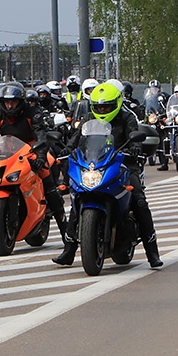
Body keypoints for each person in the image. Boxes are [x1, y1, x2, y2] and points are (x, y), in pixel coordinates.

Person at [53, 82, 163, 268]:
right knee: (77, 197)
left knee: (139, 201)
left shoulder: (127, 117)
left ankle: (152, 251)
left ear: (117, 103)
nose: (103, 109)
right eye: (99, 106)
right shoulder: (88, 120)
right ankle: (69, 249)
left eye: (107, 106)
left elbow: (133, 134)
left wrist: (135, 147)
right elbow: (77, 139)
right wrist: (65, 150)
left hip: (123, 165)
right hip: (95, 165)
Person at [0, 83, 68, 237]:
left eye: (13, 102)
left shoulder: (32, 113)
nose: (9, 105)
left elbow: (40, 134)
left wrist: (40, 156)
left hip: (31, 150)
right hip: (8, 153)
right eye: (6, 102)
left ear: (20, 101)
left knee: (46, 175)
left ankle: (64, 229)